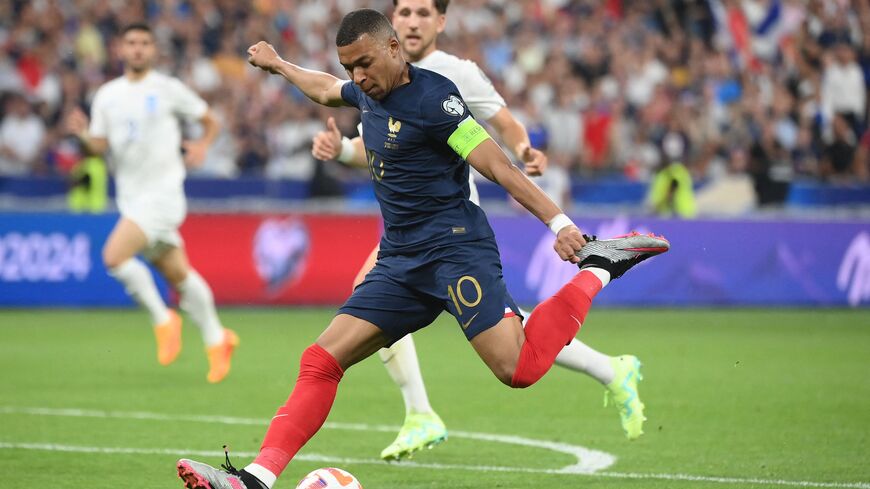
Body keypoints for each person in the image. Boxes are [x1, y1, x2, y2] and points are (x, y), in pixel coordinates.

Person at [175, 9, 668, 489]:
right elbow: (325, 89)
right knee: (321, 359)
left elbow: (496, 165)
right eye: (350, 67)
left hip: (455, 250)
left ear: (393, 48)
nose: (357, 76)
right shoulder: (366, 93)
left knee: (517, 369)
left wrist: (559, 223)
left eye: (364, 63)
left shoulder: (438, 99)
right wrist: (281, 65)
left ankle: (600, 266)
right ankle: (256, 480)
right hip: (399, 260)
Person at [312, 0, 650, 461]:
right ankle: (608, 370)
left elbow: (502, 126)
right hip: (408, 226)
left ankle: (421, 413)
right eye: (405, 11)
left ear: (441, 22)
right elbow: (378, 148)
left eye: (423, 12)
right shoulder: (369, 74)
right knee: (506, 331)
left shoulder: (456, 74)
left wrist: (525, 150)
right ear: (392, 24)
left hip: (452, 224)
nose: (413, 20)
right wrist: (341, 152)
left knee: (507, 347)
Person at [64, 23, 238, 383]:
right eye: (131, 43)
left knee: (114, 257)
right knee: (179, 275)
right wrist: (81, 136)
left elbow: (210, 120)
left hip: (163, 194)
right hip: (132, 198)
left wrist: (203, 145)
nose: (138, 49)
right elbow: (97, 147)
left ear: (153, 49)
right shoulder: (107, 95)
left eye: (144, 43)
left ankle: (164, 320)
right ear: (120, 49)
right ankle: (218, 339)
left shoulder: (167, 89)